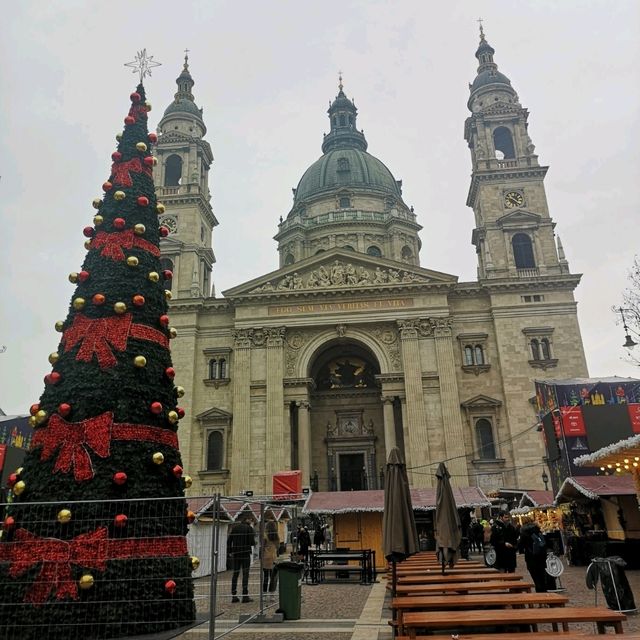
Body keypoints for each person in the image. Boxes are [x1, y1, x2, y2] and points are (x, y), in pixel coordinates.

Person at [518, 520, 553, 592]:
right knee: (542, 576)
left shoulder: (524, 534)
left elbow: (520, 546)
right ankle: (544, 592)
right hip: (541, 557)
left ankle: (539, 591)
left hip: (531, 558)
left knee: (536, 578)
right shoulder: (538, 532)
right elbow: (548, 543)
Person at [228, 515, 256, 603]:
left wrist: (230, 551)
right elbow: (252, 542)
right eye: (250, 519)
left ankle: (234, 595)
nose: (251, 521)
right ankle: (245, 595)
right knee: (245, 574)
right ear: (247, 520)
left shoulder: (235, 528)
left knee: (235, 574)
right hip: (245, 553)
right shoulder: (249, 528)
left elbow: (229, 541)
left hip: (236, 553)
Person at [261, 512, 280, 595]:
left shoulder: (265, 536)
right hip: (273, 557)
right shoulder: (276, 536)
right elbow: (278, 546)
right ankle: (272, 593)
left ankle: (264, 593)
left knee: (265, 576)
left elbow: (262, 546)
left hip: (265, 557)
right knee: (273, 577)